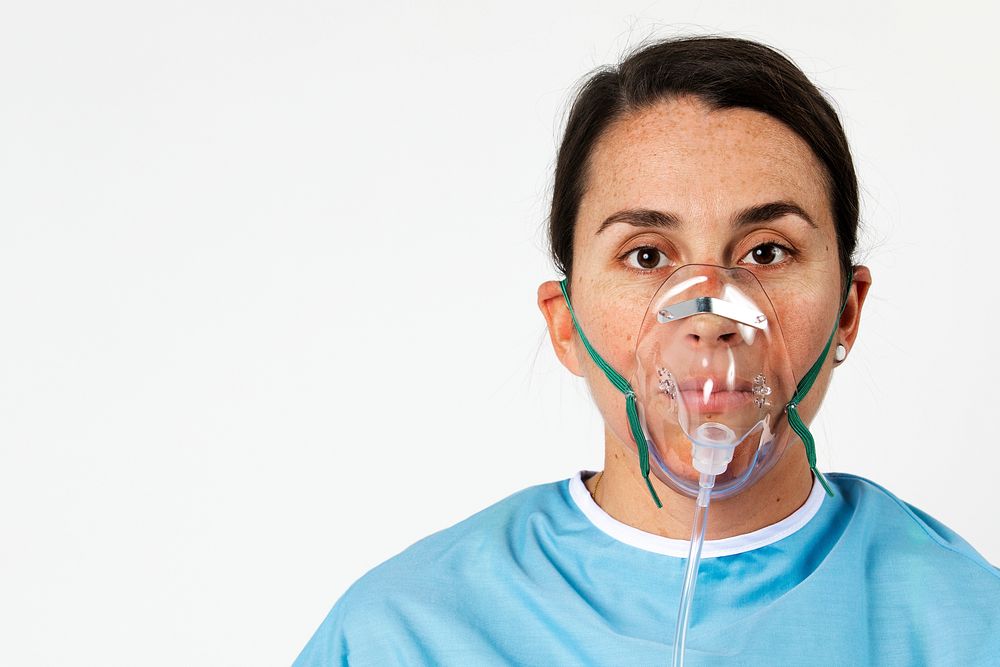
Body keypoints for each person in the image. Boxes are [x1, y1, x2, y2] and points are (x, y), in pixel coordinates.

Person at [293, 35, 1000, 666]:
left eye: (766, 250)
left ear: (847, 312)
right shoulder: (407, 634)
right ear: (566, 323)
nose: (712, 313)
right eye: (647, 255)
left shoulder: (967, 625)